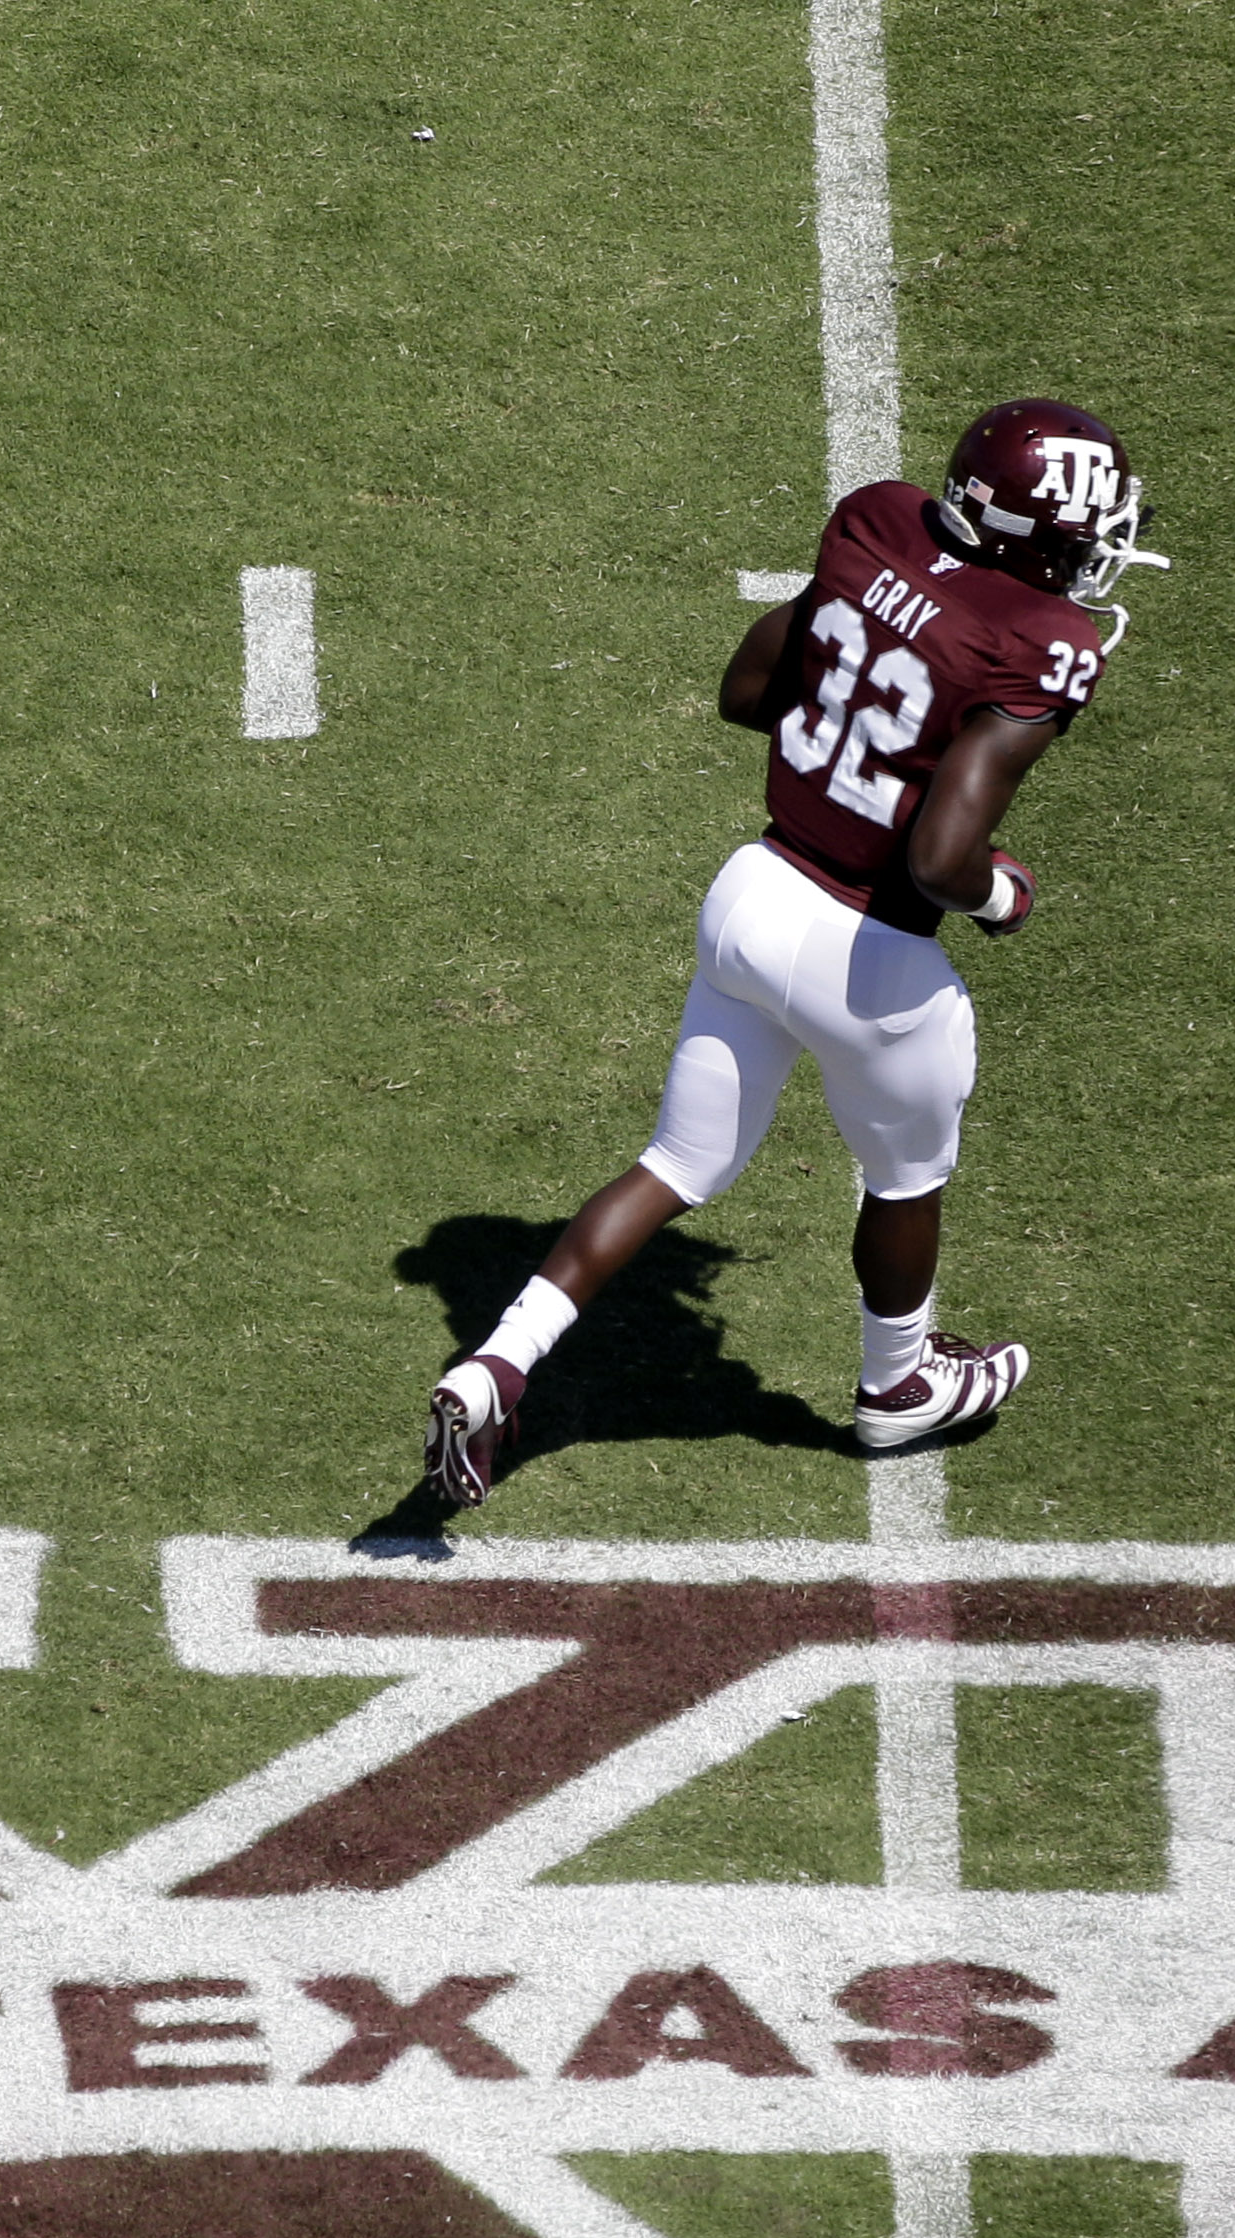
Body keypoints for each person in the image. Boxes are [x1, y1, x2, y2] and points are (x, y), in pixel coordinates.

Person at [422, 397, 1161, 1507]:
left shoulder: (876, 523)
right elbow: (939, 856)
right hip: (873, 957)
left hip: (753, 897)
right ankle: (897, 1384)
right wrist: (1001, 895)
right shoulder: (1043, 644)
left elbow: (746, 692)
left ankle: (495, 1365)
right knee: (906, 1177)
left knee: (677, 1162)